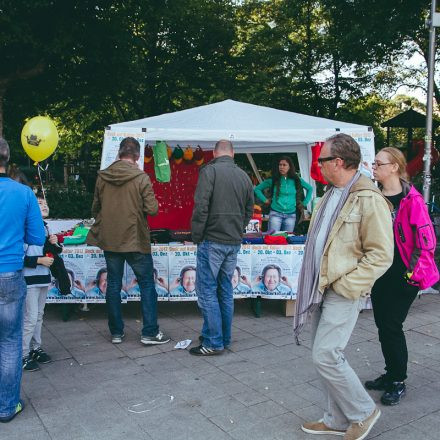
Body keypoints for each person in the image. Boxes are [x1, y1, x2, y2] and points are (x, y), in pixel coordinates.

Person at [294, 133, 394, 440]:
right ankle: (336, 420)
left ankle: (363, 412)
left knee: (326, 354)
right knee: (322, 355)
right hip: (321, 288)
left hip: (342, 289)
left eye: (322, 159)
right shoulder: (329, 195)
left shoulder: (368, 198)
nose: (318, 164)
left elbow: (381, 254)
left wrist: (350, 285)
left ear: (338, 162)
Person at [365, 147, 439, 406]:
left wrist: (411, 274)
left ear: (394, 167)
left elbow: (426, 243)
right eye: (373, 163)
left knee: (392, 326)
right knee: (383, 325)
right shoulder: (374, 196)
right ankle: (390, 373)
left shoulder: (412, 200)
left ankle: (398, 380)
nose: (374, 167)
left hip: (404, 275)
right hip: (380, 274)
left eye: (378, 163)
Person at [87, 136, 169, 346]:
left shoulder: (102, 177)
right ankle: (149, 332)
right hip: (135, 239)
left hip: (110, 239)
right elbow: (152, 209)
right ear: (137, 156)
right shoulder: (141, 178)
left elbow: (95, 208)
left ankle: (116, 332)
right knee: (147, 285)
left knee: (113, 284)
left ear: (119, 153)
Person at [190, 139, 254, 356]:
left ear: (215, 153)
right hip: (232, 241)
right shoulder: (244, 176)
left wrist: (197, 235)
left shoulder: (210, 172)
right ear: (232, 153)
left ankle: (214, 342)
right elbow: (248, 210)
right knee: (224, 289)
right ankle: (221, 338)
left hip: (212, 239)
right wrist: (238, 229)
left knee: (207, 290)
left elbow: (201, 207)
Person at [0, 138, 45, 423]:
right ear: (7, 160)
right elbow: (37, 238)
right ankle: (7, 406)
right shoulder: (23, 193)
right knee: (10, 341)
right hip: (10, 273)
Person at [22, 194, 58, 372]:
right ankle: (22, 354)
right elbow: (19, 256)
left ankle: (36, 348)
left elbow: (52, 253)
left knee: (39, 316)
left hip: (44, 278)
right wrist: (39, 261)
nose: (43, 205)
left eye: (45, 202)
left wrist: (55, 243)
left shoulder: (45, 227)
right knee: (30, 317)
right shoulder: (24, 227)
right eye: (39, 203)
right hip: (29, 279)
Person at [254, 156, 312, 232]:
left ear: (290, 167)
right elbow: (257, 189)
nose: (281, 167)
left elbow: (310, 188)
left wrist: (304, 203)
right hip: (275, 214)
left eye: (284, 165)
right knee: (273, 239)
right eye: (280, 165)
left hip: (291, 215)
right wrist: (264, 200)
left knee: (287, 240)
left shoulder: (296, 179)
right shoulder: (274, 179)